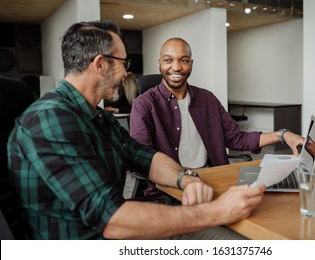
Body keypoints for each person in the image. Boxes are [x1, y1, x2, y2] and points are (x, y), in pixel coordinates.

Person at [7, 20, 266, 240]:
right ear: (100, 64)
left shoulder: (96, 116)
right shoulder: (51, 120)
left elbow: (143, 155)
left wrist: (185, 179)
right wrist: (218, 211)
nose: (126, 74)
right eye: (123, 63)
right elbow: (112, 219)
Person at [130, 37, 305, 171]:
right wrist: (182, 179)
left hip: (212, 177)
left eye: (183, 60)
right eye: (168, 60)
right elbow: (142, 158)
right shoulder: (144, 105)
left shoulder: (207, 99)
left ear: (191, 64)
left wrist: (282, 134)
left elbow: (237, 139)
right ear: (159, 63)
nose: (176, 67)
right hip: (170, 187)